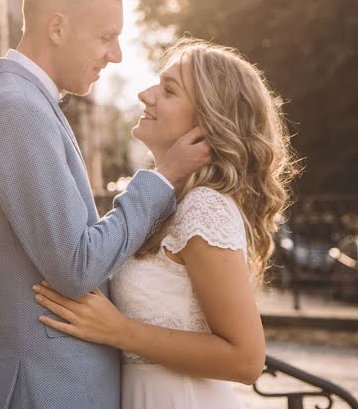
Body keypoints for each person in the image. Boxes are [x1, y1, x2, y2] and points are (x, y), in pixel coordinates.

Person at [0, 0, 211, 408]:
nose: (116, 55)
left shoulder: (29, 104)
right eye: (106, 37)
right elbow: (77, 267)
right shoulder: (16, 109)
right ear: (57, 28)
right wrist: (164, 177)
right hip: (43, 389)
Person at [34, 38, 299, 408]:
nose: (145, 94)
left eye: (168, 90)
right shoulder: (165, 204)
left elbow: (246, 359)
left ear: (208, 121)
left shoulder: (204, 208)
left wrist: (119, 331)